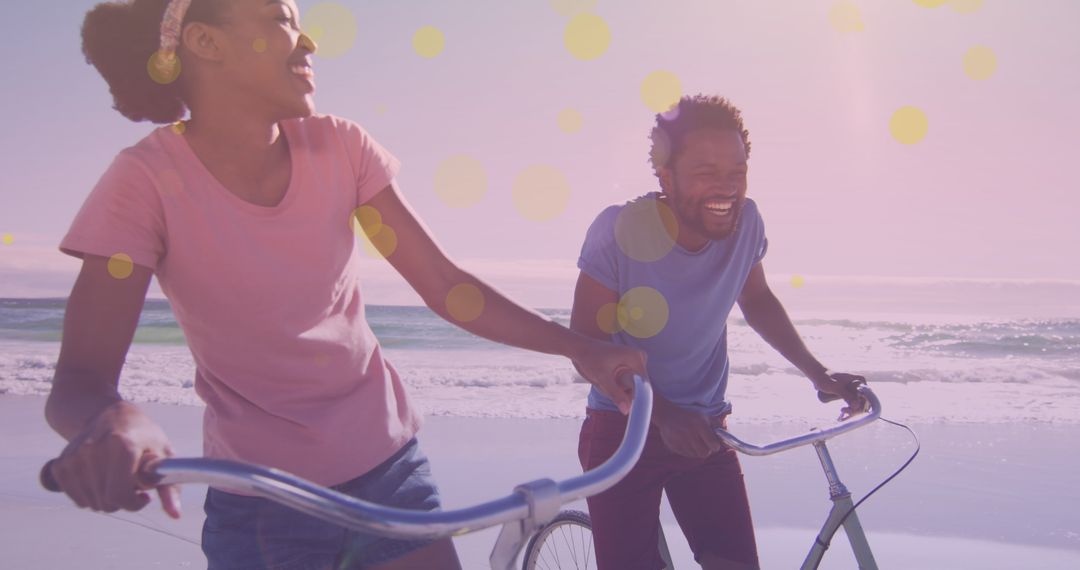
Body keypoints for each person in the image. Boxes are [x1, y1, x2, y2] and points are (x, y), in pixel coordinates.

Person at [44, 1, 647, 568]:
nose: (307, 40)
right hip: (259, 505)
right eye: (282, 19)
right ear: (205, 41)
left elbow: (445, 287)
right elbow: (80, 379)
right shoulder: (144, 181)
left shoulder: (340, 148)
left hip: (392, 477)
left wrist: (583, 349)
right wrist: (117, 421)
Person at [570, 94, 868, 570]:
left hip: (706, 433)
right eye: (706, 171)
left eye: (737, 170)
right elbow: (585, 346)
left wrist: (819, 372)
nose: (726, 187)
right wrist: (662, 413)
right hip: (621, 436)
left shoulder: (747, 223)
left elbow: (757, 300)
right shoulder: (617, 231)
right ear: (665, 176)